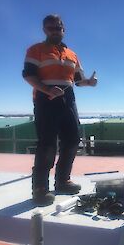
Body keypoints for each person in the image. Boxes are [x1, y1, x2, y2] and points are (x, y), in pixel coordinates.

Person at [22, 14, 97, 205]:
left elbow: (78, 80)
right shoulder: (36, 50)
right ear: (44, 30)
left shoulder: (72, 54)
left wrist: (88, 82)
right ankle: (40, 189)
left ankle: (62, 180)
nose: (55, 31)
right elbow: (29, 75)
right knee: (47, 144)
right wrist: (47, 89)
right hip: (45, 99)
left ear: (63, 29)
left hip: (68, 99)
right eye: (51, 28)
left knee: (72, 139)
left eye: (58, 27)